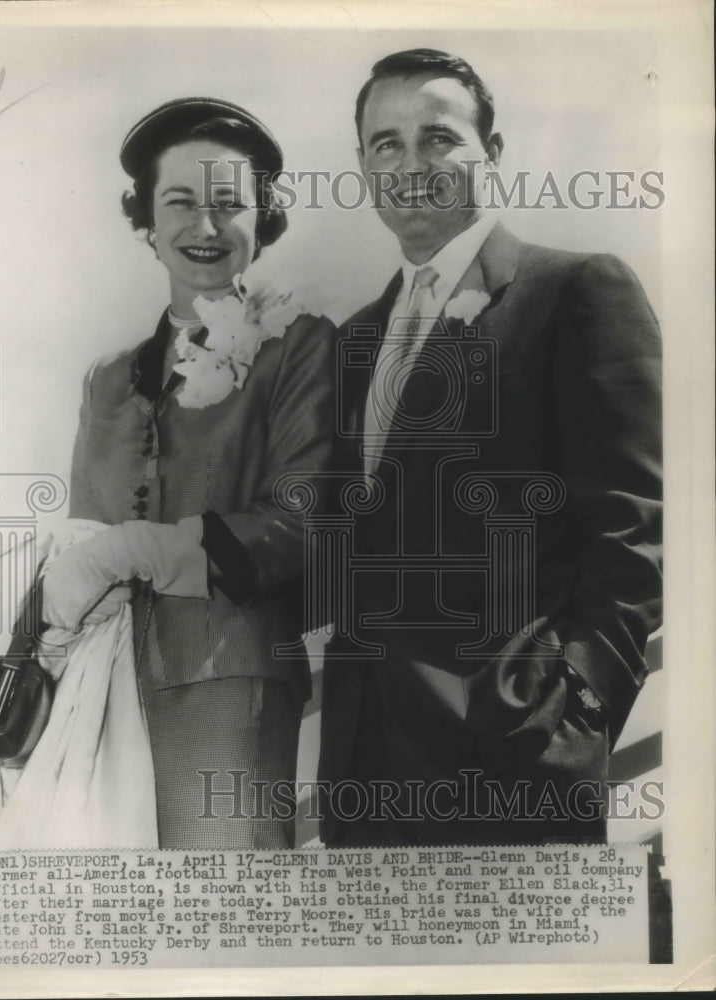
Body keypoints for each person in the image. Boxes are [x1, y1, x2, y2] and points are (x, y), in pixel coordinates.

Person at [318, 49, 662, 846]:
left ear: (492, 154)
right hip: (365, 771)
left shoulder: (575, 291)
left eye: (437, 137)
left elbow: (630, 533)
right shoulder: (354, 340)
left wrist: (575, 715)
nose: (410, 164)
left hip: (519, 761)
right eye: (385, 143)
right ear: (364, 169)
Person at [41, 97, 335, 849]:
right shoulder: (109, 376)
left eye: (229, 205)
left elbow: (296, 525)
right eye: (179, 202)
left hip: (226, 679)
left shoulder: (299, 346)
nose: (204, 228)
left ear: (262, 221)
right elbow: (82, 531)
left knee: (221, 924)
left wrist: (129, 551)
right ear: (145, 219)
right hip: (99, 685)